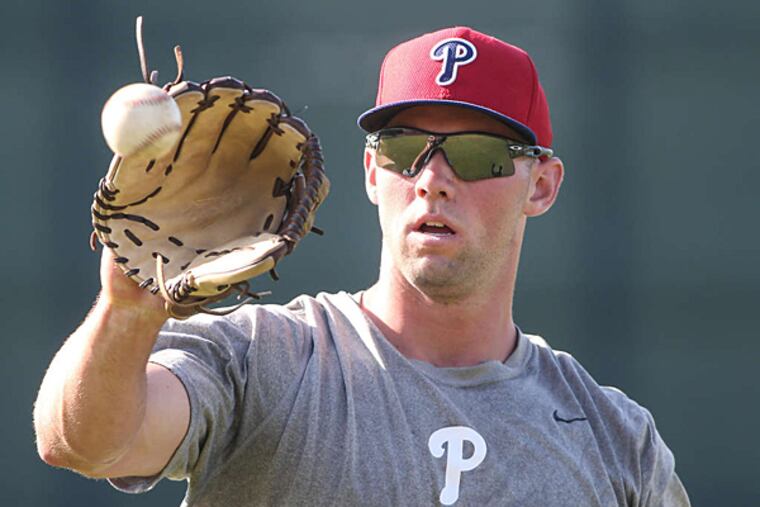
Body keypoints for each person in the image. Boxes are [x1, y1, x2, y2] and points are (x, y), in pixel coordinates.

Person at [33, 27, 690, 506]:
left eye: (478, 154)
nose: (432, 178)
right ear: (374, 171)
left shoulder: (612, 437)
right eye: (405, 148)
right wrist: (126, 310)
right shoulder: (264, 360)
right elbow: (83, 441)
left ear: (541, 185)